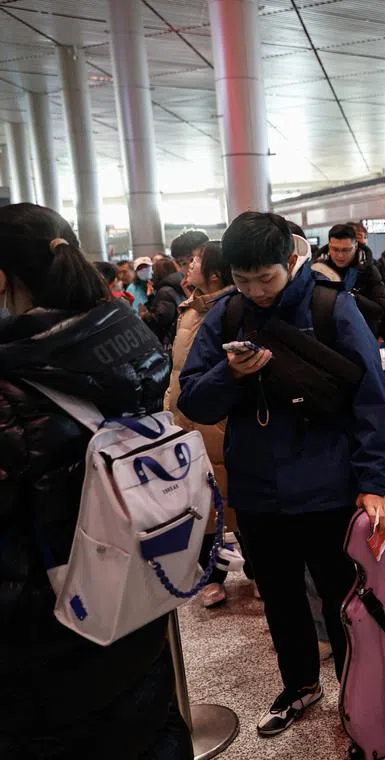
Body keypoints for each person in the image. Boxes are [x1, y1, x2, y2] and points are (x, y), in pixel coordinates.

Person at [178, 211, 385, 738]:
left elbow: (371, 399)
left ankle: (360, 690)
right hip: (257, 491)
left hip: (328, 486)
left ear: (291, 260)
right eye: (243, 279)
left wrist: (372, 483)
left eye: (266, 279)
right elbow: (194, 401)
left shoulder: (330, 306)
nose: (255, 290)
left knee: (343, 599)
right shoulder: (226, 315)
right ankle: (300, 685)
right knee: (279, 599)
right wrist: (229, 374)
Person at [0, 203, 191, 759]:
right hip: (134, 589)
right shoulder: (127, 339)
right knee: (147, 723)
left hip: (45, 629)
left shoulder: (15, 379)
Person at [165, 241, 239, 609]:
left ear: (214, 274)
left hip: (218, 421)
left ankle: (256, 572)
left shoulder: (230, 309)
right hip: (187, 420)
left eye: (195, 261)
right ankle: (211, 575)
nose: (188, 266)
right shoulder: (189, 307)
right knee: (201, 504)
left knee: (236, 500)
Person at [312, 223, 385, 340]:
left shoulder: (369, 270)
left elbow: (381, 308)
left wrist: (352, 298)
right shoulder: (317, 270)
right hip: (327, 339)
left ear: (355, 246)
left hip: (362, 338)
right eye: (335, 249)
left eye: (346, 250)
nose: (340, 255)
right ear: (329, 246)